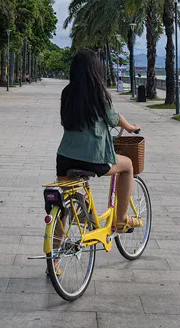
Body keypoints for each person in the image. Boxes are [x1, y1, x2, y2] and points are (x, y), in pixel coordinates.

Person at [57, 49, 142, 232]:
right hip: (93, 159)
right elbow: (114, 117)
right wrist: (130, 127)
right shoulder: (99, 94)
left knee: (64, 202)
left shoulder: (67, 93)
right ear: (95, 70)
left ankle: (55, 255)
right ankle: (120, 220)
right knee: (127, 166)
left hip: (64, 159)